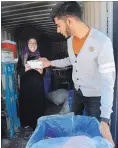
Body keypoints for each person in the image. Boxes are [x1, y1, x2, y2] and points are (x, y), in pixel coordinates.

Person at [38, 2, 116, 146]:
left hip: (95, 98)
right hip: (78, 92)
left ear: (69, 20)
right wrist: (50, 63)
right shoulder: (70, 41)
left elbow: (108, 82)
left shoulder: (102, 42)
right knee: (75, 124)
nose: (58, 30)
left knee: (97, 133)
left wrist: (105, 118)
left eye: (58, 25)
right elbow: (71, 60)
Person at [17, 38, 45, 129]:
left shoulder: (41, 56)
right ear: (27, 44)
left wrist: (41, 71)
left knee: (38, 103)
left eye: (35, 43)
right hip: (26, 85)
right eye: (30, 43)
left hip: (37, 84)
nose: (33, 44)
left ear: (37, 44)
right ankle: (26, 123)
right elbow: (18, 70)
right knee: (26, 103)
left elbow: (44, 71)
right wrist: (25, 69)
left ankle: (37, 123)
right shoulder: (22, 56)